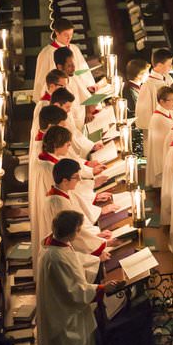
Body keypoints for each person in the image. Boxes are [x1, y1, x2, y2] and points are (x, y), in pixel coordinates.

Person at [36, 210, 122, 345]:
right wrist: (102, 288)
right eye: (78, 229)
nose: (78, 233)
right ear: (70, 232)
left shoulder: (55, 244)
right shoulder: (57, 257)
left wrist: (96, 259)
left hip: (59, 308)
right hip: (66, 316)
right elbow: (74, 291)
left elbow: (74, 259)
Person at [30, 127, 108, 257]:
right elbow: (70, 226)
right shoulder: (50, 169)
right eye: (67, 145)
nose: (69, 147)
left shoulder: (49, 163)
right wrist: (99, 244)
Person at [42, 159, 118, 262]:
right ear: (65, 181)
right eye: (76, 177)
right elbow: (74, 235)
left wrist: (95, 237)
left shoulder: (63, 192)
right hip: (68, 254)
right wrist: (103, 243)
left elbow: (80, 225)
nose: (79, 180)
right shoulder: (59, 202)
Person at [33, 19, 95, 100]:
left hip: (78, 92)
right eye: (66, 35)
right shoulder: (46, 53)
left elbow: (83, 70)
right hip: (60, 96)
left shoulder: (74, 49)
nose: (69, 38)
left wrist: (89, 84)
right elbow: (41, 79)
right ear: (57, 33)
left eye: (71, 34)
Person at [135, 48, 173, 130]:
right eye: (169, 65)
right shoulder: (148, 85)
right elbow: (143, 117)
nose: (171, 67)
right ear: (159, 65)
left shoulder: (168, 78)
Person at [145, 86, 173, 188]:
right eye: (171, 100)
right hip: (161, 161)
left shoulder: (167, 113)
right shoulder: (159, 119)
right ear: (161, 101)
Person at [31, 69, 69, 138]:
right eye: (62, 87)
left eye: (66, 87)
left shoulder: (59, 102)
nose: (65, 90)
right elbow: (39, 132)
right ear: (51, 86)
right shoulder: (44, 105)